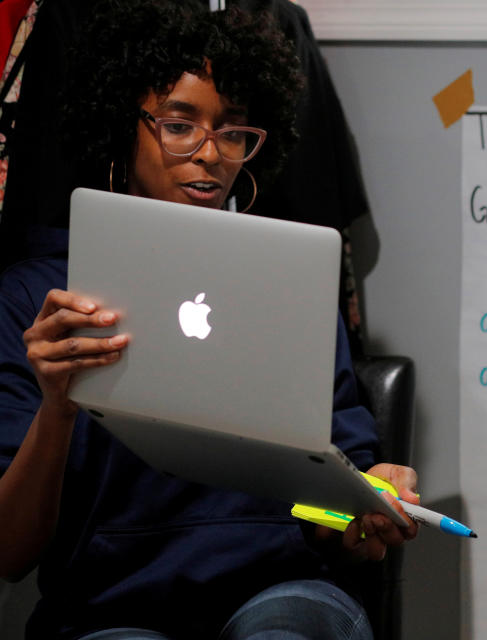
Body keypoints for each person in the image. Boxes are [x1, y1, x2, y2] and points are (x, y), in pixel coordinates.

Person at [0, 1, 418, 638]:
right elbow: (10, 553)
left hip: (285, 588)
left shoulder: (292, 280)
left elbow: (330, 520)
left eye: (232, 132)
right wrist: (57, 408)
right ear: (121, 124)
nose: (209, 153)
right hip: (107, 609)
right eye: (177, 124)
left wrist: (361, 511)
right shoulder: (37, 301)